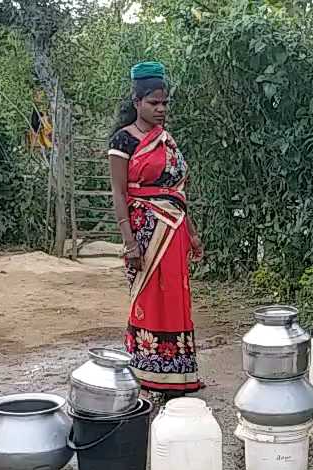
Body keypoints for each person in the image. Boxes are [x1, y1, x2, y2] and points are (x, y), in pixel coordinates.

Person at [107, 61, 204, 397]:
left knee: (176, 297)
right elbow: (119, 193)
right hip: (145, 233)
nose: (160, 109)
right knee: (149, 298)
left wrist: (191, 232)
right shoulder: (123, 140)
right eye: (153, 103)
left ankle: (179, 372)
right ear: (137, 103)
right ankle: (148, 373)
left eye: (164, 103)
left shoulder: (167, 139)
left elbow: (177, 190)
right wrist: (128, 242)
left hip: (174, 230)